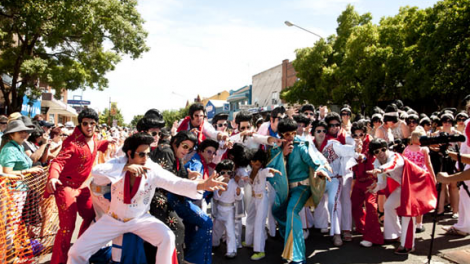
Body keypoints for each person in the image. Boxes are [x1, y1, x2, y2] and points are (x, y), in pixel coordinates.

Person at [67, 132, 227, 264]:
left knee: (167, 237)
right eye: (141, 154)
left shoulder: (152, 168)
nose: (146, 158)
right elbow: (97, 171)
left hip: (140, 220)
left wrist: (202, 185)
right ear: (129, 154)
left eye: (148, 153)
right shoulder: (118, 163)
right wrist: (124, 168)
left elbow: (175, 183)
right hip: (113, 220)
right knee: (76, 251)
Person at [45, 108, 113, 264]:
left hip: (82, 188)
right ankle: (58, 262)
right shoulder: (71, 143)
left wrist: (109, 142)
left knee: (91, 216)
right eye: (85, 123)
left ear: (96, 125)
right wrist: (53, 178)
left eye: (92, 123)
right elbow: (57, 161)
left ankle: (79, 249)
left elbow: (97, 145)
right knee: (67, 228)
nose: (89, 126)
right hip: (66, 187)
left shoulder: (94, 138)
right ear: (80, 125)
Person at [267, 118, 329, 264]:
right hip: (286, 190)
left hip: (302, 187)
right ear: (281, 134)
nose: (291, 137)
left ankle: (297, 256)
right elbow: (271, 168)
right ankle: (288, 240)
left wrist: (320, 169)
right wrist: (283, 154)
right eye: (287, 134)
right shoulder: (276, 149)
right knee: (277, 211)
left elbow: (312, 160)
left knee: (292, 211)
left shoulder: (301, 146)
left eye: (293, 133)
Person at [366, 138, 437, 254]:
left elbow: (392, 165)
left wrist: (380, 170)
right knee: (388, 206)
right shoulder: (377, 163)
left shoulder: (395, 157)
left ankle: (408, 245)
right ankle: (396, 234)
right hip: (405, 185)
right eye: (377, 151)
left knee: (408, 213)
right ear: (373, 153)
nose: (381, 153)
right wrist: (375, 188)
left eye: (383, 149)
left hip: (417, 183)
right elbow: (382, 183)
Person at [146, 130, 198, 264]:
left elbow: (181, 177)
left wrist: (190, 177)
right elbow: (167, 180)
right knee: (177, 228)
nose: (186, 151)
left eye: (190, 149)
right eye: (185, 146)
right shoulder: (166, 151)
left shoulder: (177, 154)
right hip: (152, 198)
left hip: (162, 197)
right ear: (176, 142)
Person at [169, 138, 219, 264]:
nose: (212, 156)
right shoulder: (197, 164)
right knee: (207, 223)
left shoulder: (199, 161)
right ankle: (193, 260)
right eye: (209, 152)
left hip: (179, 199)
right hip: (178, 200)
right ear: (201, 151)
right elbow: (194, 188)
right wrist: (207, 187)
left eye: (214, 153)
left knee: (191, 227)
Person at [350, 121, 384, 247]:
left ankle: (372, 237)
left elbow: (369, 158)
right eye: (355, 135)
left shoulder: (372, 143)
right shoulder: (351, 144)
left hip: (371, 180)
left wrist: (360, 154)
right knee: (354, 205)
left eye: (361, 135)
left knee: (371, 206)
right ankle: (362, 227)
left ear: (365, 134)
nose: (358, 138)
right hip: (359, 180)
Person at [243, 149, 280, 261]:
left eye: (260, 160)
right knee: (249, 219)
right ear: (250, 161)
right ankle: (249, 241)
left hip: (262, 199)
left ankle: (259, 250)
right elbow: (243, 179)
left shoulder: (262, 171)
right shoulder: (249, 173)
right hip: (254, 198)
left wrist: (271, 170)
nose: (257, 162)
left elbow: (267, 171)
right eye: (254, 160)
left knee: (259, 223)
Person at [402, 129, 436, 233]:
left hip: (410, 176)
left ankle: (410, 222)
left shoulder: (406, 149)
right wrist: (433, 177)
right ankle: (419, 224)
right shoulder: (424, 149)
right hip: (421, 176)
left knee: (411, 200)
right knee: (420, 200)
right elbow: (428, 163)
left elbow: (402, 162)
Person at [212, 159, 243, 259]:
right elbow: (215, 197)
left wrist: (238, 193)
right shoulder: (217, 183)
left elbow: (238, 198)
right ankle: (214, 242)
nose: (226, 175)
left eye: (228, 172)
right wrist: (220, 191)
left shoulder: (234, 183)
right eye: (223, 172)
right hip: (220, 208)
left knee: (230, 230)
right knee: (217, 228)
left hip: (230, 209)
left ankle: (231, 250)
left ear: (232, 173)